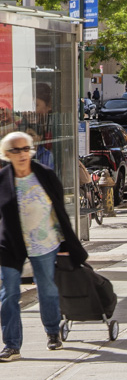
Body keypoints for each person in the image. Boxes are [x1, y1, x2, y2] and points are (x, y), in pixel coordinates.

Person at [0, 131, 85, 359]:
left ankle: (52, 332)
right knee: (8, 293)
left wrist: (66, 241)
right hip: (10, 244)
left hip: (44, 242)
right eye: (15, 150)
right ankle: (12, 345)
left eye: (25, 149)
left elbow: (58, 208)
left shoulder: (44, 175)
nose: (22, 154)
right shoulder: (2, 179)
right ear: (7, 154)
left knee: (46, 289)